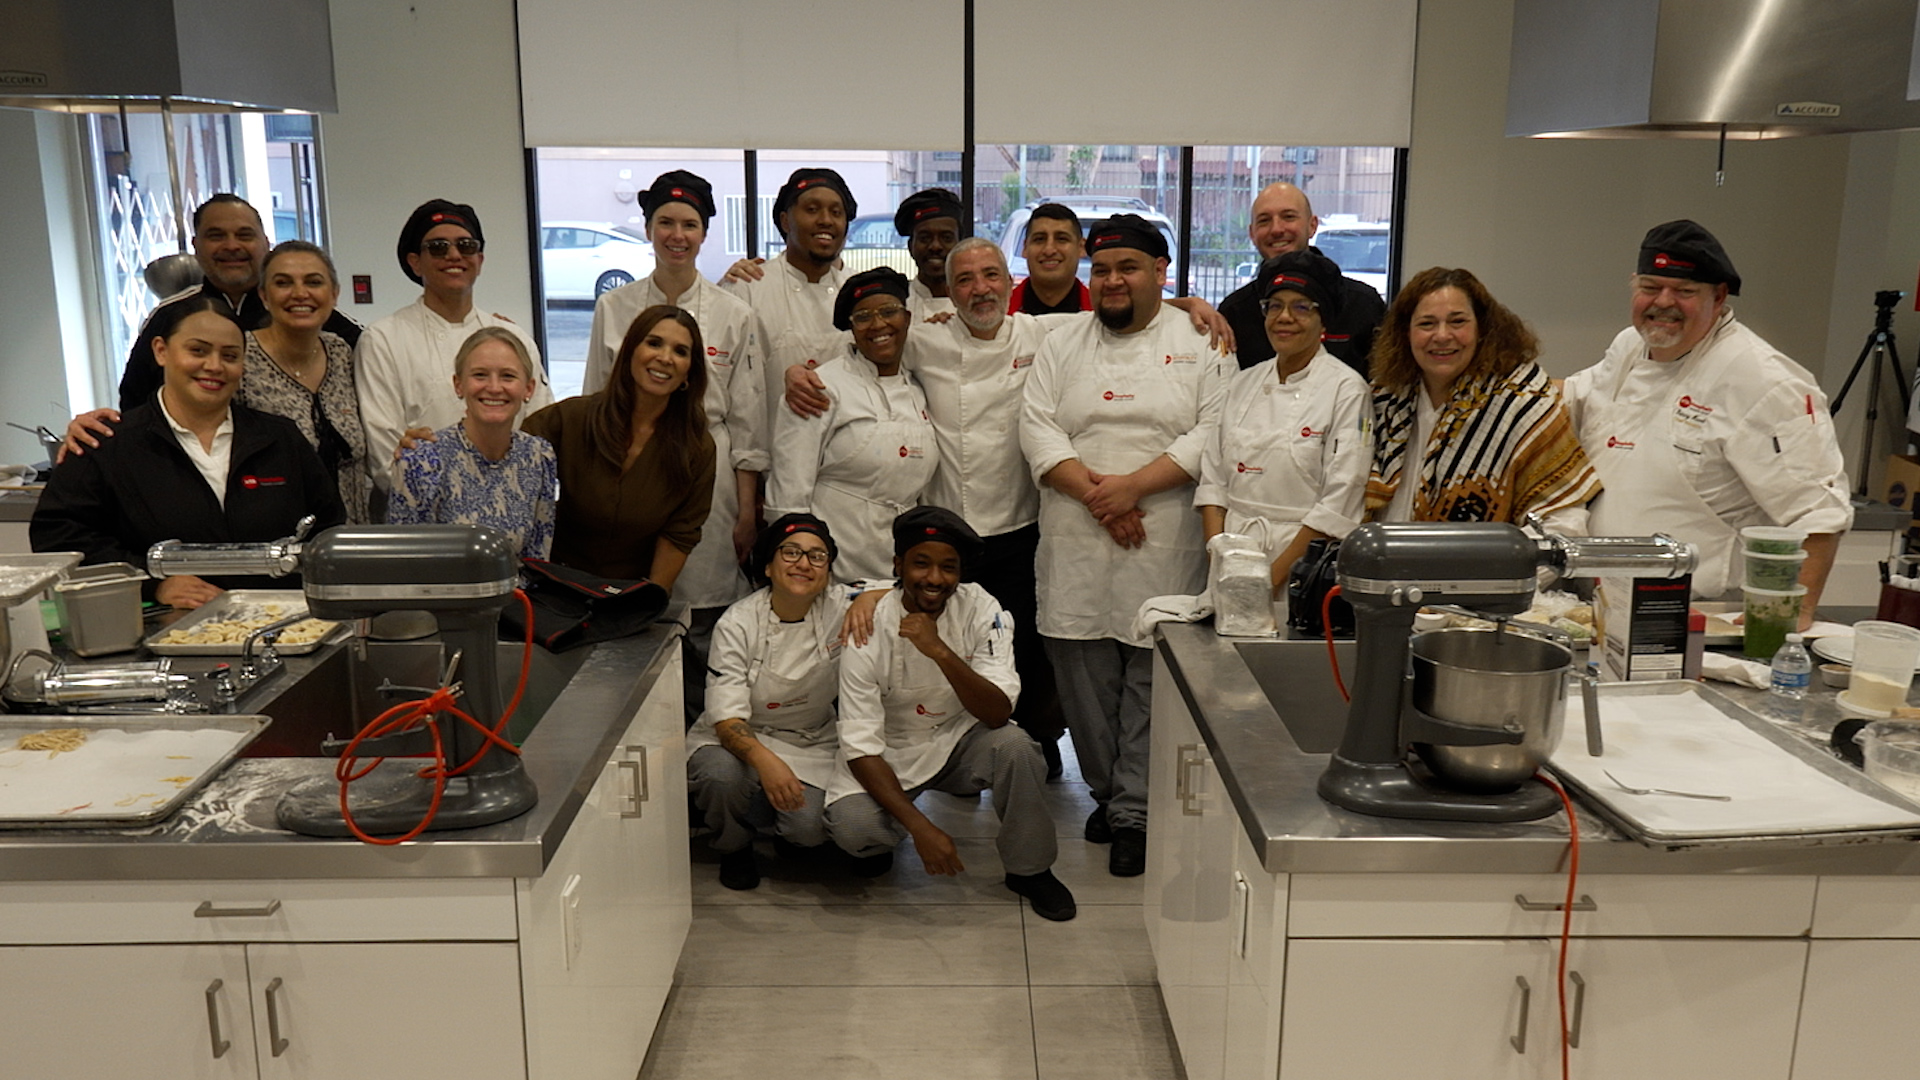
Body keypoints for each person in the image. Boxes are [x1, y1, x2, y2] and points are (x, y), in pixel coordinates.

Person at [1020, 214, 1232, 877]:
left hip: (1164, 537)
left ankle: (1135, 810)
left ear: (1161, 272)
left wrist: (1134, 486)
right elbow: (1036, 425)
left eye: (1129, 268)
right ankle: (1113, 794)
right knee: (1084, 685)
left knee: (1150, 681)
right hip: (1078, 536)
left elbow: (1216, 431)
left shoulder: (1203, 341)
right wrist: (1098, 496)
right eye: (1103, 269)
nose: (1113, 281)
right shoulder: (1062, 340)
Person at [1561, 220, 1851, 618]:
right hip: (1605, 603)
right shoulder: (1630, 346)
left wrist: (1788, 627)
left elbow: (1818, 515)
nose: (1663, 302)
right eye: (1650, 287)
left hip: (1699, 615)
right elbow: (1573, 399)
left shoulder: (1763, 381)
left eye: (1684, 291)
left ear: (1718, 297)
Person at [824, 507, 1076, 922]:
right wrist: (923, 829)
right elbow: (860, 745)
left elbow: (997, 713)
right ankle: (886, 837)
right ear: (897, 566)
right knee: (855, 830)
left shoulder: (981, 609)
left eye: (948, 567)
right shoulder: (867, 621)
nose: (935, 578)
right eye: (921, 563)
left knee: (1017, 747)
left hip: (960, 742)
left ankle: (1030, 870)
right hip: (889, 752)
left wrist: (939, 650)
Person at [583, 170, 766, 727]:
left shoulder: (735, 312)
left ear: (705, 233)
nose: (677, 234)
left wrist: (747, 511)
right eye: (666, 222)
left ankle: (712, 744)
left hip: (706, 473)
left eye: (689, 224)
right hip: (630, 467)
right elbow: (595, 400)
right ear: (648, 228)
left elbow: (748, 419)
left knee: (708, 617)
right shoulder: (614, 308)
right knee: (639, 611)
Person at [32, 295, 345, 608]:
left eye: (230, 355)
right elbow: (58, 539)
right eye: (197, 350)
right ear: (161, 351)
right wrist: (150, 583)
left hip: (280, 628)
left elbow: (327, 530)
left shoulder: (280, 437)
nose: (213, 366)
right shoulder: (107, 443)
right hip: (158, 631)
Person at [65, 241, 377, 524]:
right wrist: (104, 431)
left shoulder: (345, 351)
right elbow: (170, 417)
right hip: (267, 537)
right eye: (283, 283)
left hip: (349, 538)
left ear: (334, 293)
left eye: (313, 281)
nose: (299, 293)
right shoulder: (233, 357)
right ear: (264, 295)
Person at [1365, 267, 1600, 530]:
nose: (1442, 336)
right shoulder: (1384, 398)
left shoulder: (1524, 402)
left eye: (1457, 322)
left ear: (1482, 328)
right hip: (1384, 564)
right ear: (1405, 333)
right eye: (1426, 324)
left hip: (1489, 568)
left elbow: (1563, 522)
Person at [687, 515, 851, 891]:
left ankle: (782, 829)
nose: (804, 564)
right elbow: (727, 718)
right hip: (737, 736)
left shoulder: (840, 607)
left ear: (828, 571)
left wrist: (869, 600)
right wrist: (767, 762)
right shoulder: (738, 623)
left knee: (808, 830)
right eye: (791, 552)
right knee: (721, 776)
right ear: (767, 566)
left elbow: (891, 591)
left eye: (817, 556)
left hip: (809, 738)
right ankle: (734, 845)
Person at [1197, 250, 1372, 592]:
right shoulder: (1243, 383)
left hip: (1303, 571)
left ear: (1325, 320)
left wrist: (1266, 581)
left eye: (1302, 306)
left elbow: (1341, 499)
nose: (1284, 317)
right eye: (1274, 306)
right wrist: (1222, 563)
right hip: (1232, 557)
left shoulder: (1347, 390)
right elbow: (1213, 482)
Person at [356, 200, 552, 484]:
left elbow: (540, 428)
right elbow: (386, 455)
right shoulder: (383, 339)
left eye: (466, 246)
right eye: (437, 247)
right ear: (415, 262)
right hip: (421, 515)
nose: (453, 255)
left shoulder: (513, 337)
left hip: (508, 503)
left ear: (480, 261)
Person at [520, 305, 715, 587]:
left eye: (680, 351)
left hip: (629, 593)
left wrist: (643, 606)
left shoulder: (697, 448)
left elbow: (679, 536)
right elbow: (506, 453)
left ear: (689, 373)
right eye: (654, 343)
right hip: (553, 586)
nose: (665, 358)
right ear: (630, 351)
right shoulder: (572, 419)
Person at [766, 267, 938, 584]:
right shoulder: (819, 389)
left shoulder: (919, 387)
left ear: (908, 318)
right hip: (834, 570)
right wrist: (799, 575)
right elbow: (788, 498)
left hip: (900, 571)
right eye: (863, 317)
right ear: (852, 328)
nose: (878, 325)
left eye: (889, 312)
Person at [113, 193, 362, 412]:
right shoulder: (168, 317)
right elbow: (134, 404)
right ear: (196, 246)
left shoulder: (315, 317)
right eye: (216, 236)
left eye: (244, 235)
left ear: (265, 243)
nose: (232, 246)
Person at [387, 327, 556, 561]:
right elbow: (402, 565)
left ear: (528, 389)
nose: (495, 387)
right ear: (458, 385)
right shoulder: (420, 461)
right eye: (480, 375)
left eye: (508, 376)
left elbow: (538, 561)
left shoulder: (539, 456)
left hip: (519, 596)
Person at [723, 168, 857, 431]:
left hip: (847, 462)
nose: (826, 220)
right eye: (812, 209)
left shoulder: (857, 293)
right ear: (785, 221)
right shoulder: (749, 287)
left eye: (836, 212)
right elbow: (737, 389)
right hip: (770, 457)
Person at [1216, 183, 1386, 376]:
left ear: (1312, 225)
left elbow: (1386, 381)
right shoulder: (1235, 311)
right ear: (1252, 234)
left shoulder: (1363, 304)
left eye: (1288, 217)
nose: (1277, 229)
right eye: (1264, 221)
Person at [1007, 203, 1090, 315]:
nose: (1049, 250)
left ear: (1081, 247)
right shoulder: (998, 316)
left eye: (1061, 239)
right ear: (1025, 248)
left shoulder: (1103, 317)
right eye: (1039, 239)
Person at [894, 187, 962, 318]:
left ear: (959, 245)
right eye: (925, 238)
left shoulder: (975, 304)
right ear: (910, 246)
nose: (935, 246)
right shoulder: (897, 304)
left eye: (946, 238)